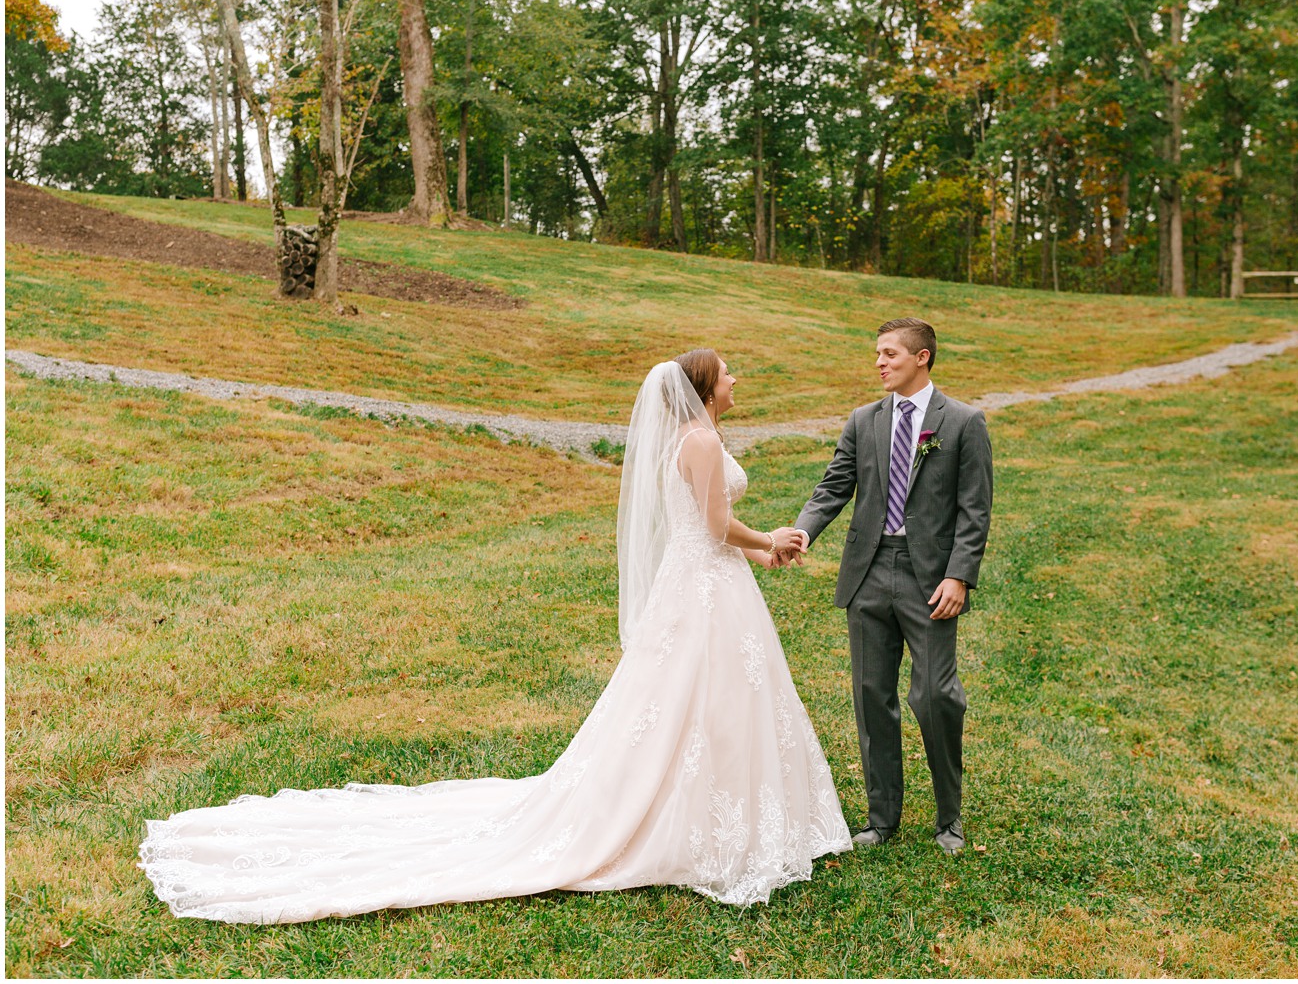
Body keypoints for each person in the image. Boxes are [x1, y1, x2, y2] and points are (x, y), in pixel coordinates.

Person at [138, 350, 850, 923]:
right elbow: (718, 525)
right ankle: (694, 822)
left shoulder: (699, 437)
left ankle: (721, 808)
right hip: (703, 593)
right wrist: (770, 536)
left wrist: (762, 553)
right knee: (692, 703)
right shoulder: (698, 441)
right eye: (727, 373)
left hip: (713, 585)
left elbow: (709, 531)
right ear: (705, 388)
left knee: (715, 703)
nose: (736, 379)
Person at [793, 318, 993, 855]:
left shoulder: (964, 422)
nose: (879, 363)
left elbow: (975, 510)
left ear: (922, 357)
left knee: (935, 697)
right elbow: (834, 486)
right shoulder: (864, 420)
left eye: (890, 354)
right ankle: (882, 819)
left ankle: (948, 819)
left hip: (932, 579)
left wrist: (959, 575)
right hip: (869, 572)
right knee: (871, 696)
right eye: (877, 354)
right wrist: (802, 532)